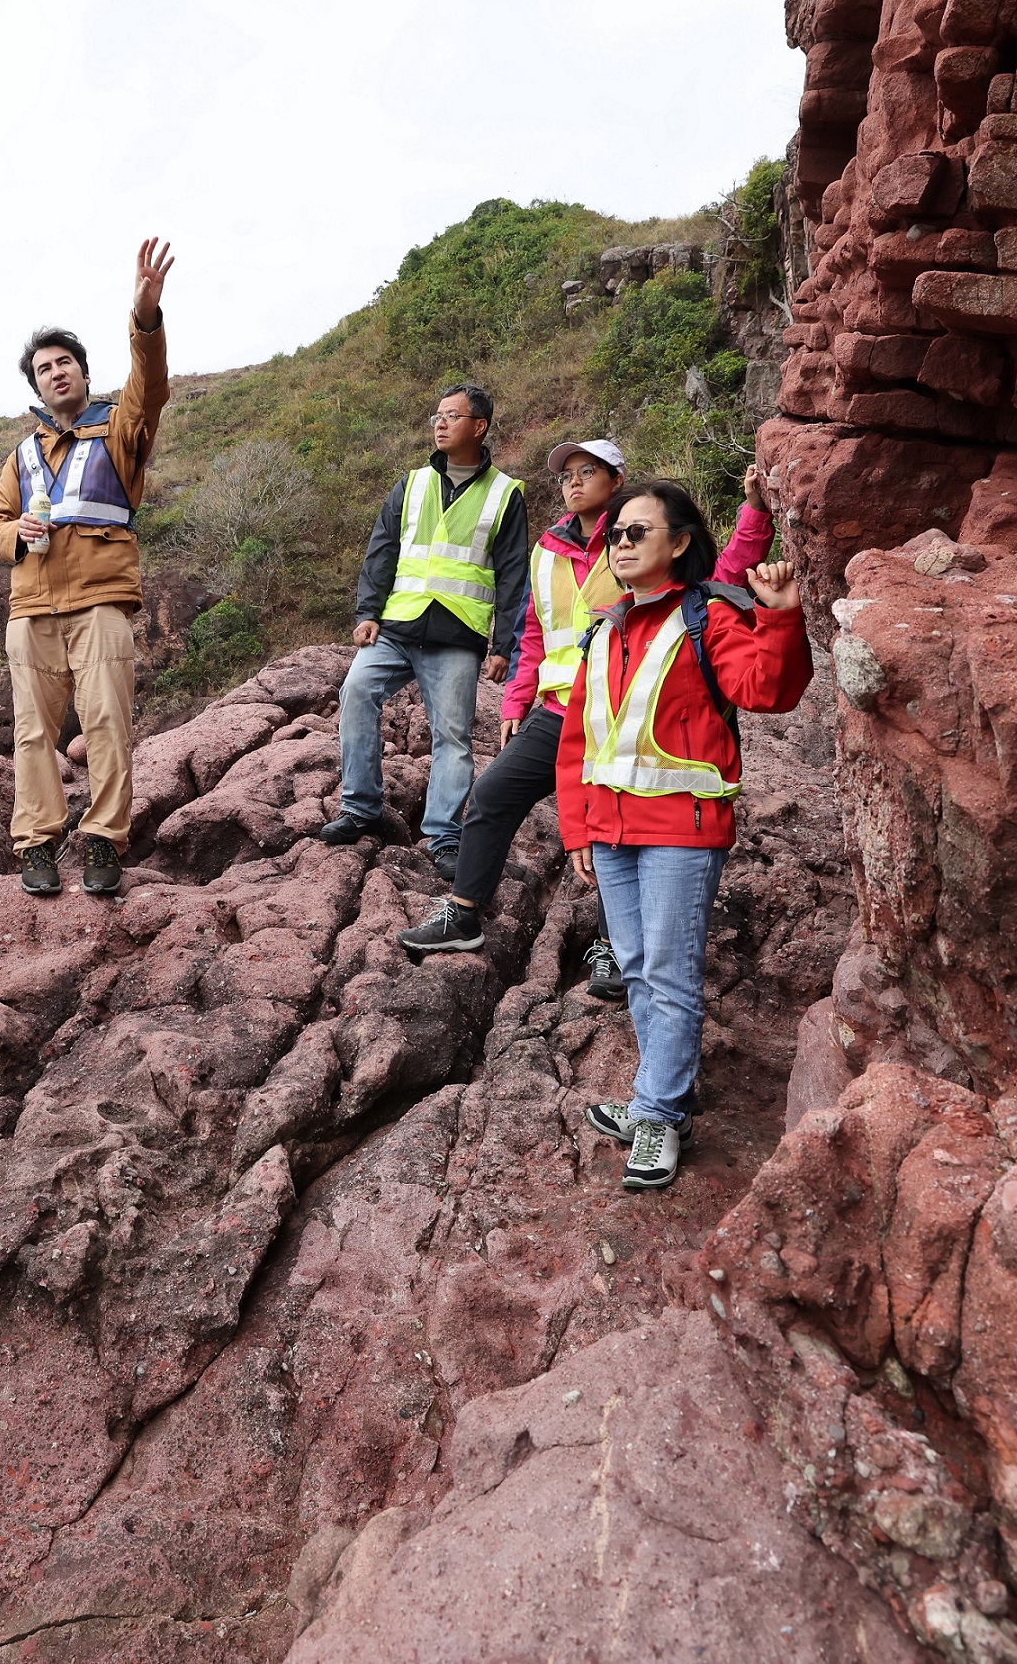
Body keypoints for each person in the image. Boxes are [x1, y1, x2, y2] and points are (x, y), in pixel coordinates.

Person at [399, 450, 777, 982]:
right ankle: (462, 914)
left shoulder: (641, 541)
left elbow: (722, 575)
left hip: (628, 712)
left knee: (616, 823)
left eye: (588, 473)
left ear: (617, 481)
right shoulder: (548, 549)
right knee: (491, 795)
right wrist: (516, 697)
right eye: (566, 476)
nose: (574, 484)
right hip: (559, 709)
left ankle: (610, 948)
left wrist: (754, 513)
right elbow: (533, 628)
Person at [557, 481, 810, 1192]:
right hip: (608, 833)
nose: (623, 544)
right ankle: (652, 1101)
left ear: (679, 543)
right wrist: (576, 825)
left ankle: (659, 1116)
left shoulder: (708, 618)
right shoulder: (604, 628)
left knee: (664, 973)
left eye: (639, 532)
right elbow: (578, 738)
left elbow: (768, 691)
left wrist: (781, 620)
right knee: (637, 967)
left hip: (681, 832)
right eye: (615, 536)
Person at [0, 238, 176, 898]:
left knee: (105, 725)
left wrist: (144, 319)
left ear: (85, 374)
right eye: (43, 368)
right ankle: (36, 842)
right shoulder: (20, 456)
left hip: (100, 602)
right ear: (34, 385)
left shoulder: (120, 430)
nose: (55, 372)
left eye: (65, 362)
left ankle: (102, 840)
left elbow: (150, 388)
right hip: (30, 608)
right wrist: (16, 532)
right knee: (33, 733)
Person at [313, 384, 531, 884]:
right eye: (437, 415)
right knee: (355, 692)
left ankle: (443, 836)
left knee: (452, 735)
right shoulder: (410, 484)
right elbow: (382, 550)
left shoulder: (505, 493)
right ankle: (360, 809)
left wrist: (504, 646)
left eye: (452, 416)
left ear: (479, 427)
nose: (440, 423)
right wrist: (368, 611)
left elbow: (514, 574)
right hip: (397, 625)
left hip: (457, 636)